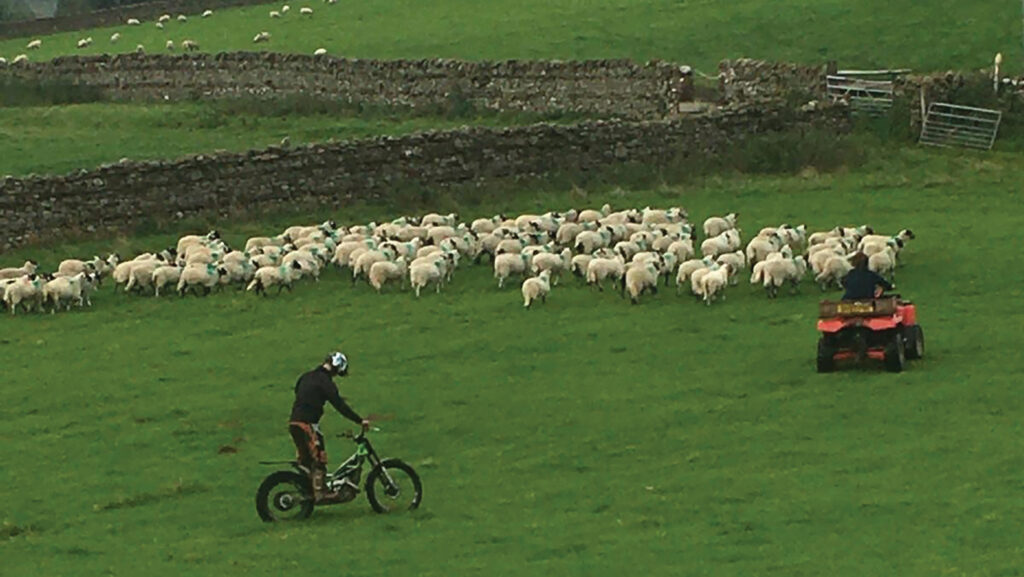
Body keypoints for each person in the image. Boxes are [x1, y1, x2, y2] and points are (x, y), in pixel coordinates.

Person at [288, 351, 370, 503]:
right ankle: (320, 494)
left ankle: (308, 489)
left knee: (306, 459)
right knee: (319, 457)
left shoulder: (305, 376)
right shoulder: (325, 382)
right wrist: (359, 420)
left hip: (294, 423)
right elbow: (339, 405)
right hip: (308, 424)